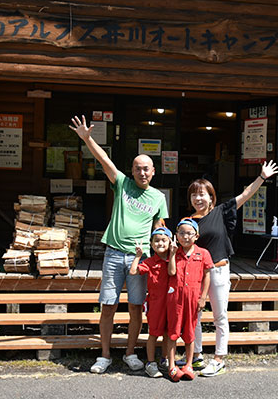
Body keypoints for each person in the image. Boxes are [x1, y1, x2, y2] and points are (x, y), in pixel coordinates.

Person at [69, 115, 168, 374]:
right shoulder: (122, 184)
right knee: (108, 305)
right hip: (113, 254)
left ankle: (130, 353)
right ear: (132, 170)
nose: (142, 172)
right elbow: (104, 159)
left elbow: (160, 231)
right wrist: (87, 138)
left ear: (153, 172)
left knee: (136, 307)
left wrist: (165, 255)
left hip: (140, 258)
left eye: (146, 168)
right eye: (138, 168)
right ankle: (104, 355)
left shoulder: (158, 197)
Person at [187, 160, 278, 377]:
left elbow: (246, 195)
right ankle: (196, 355)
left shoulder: (221, 211)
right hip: (197, 273)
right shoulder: (188, 221)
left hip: (218, 270)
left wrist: (262, 177)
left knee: (220, 316)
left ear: (211, 197)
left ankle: (219, 358)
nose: (198, 198)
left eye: (202, 194)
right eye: (194, 195)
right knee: (194, 315)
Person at [166, 218, 213, 382]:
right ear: (176, 235)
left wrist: (203, 297)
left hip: (193, 299)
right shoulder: (174, 252)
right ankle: (171, 365)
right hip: (175, 299)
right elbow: (171, 273)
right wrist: (172, 253)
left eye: (189, 233)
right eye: (181, 233)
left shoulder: (203, 253)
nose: (185, 236)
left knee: (190, 333)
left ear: (196, 236)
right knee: (173, 332)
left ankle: (188, 364)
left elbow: (207, 275)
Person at [129, 227, 176, 378]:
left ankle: (165, 359)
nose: (160, 243)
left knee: (168, 333)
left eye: (164, 240)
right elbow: (133, 271)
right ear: (151, 244)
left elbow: (173, 272)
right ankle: (150, 362)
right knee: (154, 333)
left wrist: (174, 254)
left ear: (170, 242)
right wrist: (138, 255)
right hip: (155, 303)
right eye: (156, 241)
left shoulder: (174, 259)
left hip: (171, 302)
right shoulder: (149, 262)